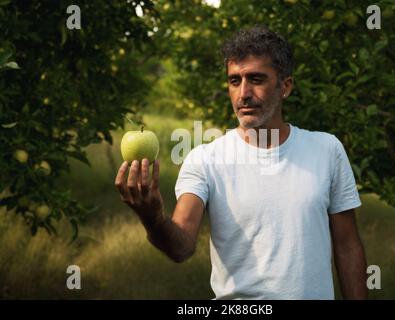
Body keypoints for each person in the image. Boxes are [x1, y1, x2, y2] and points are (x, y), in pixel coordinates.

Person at [115, 26, 368, 300]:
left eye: (256, 79)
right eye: (234, 81)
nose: (243, 93)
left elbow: (347, 246)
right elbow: (181, 248)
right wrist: (152, 218)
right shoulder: (204, 159)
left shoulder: (326, 149)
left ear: (285, 86)